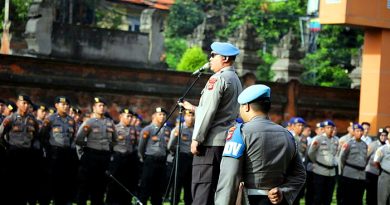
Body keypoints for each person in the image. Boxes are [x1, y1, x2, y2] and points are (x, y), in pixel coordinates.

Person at [214, 84, 306, 205]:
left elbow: (229, 176)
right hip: (278, 200)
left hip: (249, 200)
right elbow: (300, 174)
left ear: (246, 107)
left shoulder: (239, 132)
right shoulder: (288, 135)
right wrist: (283, 191)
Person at [180, 41, 242, 205]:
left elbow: (208, 112)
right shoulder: (235, 79)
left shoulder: (217, 78)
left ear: (226, 58)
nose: (210, 58)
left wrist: (197, 139)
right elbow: (220, 111)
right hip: (225, 142)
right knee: (217, 193)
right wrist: (194, 108)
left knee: (202, 191)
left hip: (209, 143)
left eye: (214, 55)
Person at [75, 97, 117, 205]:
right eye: (99, 105)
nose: (102, 108)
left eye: (103, 105)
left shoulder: (109, 122)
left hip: (104, 157)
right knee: (85, 185)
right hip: (91, 156)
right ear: (94, 108)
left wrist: (109, 150)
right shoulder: (89, 122)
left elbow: (115, 139)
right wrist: (84, 153)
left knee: (100, 186)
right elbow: (79, 139)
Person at [0, 95, 40, 204]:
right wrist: (7, 147)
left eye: (28, 104)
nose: (26, 106)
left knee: (24, 182)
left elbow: (36, 136)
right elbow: (1, 134)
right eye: (24, 103)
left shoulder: (33, 120)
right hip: (13, 153)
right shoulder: (10, 118)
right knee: (12, 182)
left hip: (27, 154)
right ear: (17, 103)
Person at [39, 96, 76, 205]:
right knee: (50, 181)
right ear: (56, 105)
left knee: (64, 181)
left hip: (66, 154)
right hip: (54, 153)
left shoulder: (71, 120)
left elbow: (72, 137)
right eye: (63, 104)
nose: (66, 106)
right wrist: (48, 150)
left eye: (67, 104)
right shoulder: (50, 119)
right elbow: (42, 136)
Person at [138, 107, 171, 205]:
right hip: (150, 161)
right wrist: (144, 157)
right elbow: (141, 147)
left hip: (162, 162)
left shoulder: (167, 130)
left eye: (164, 114)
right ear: (154, 116)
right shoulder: (148, 129)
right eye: (160, 114)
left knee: (158, 189)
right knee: (146, 187)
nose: (162, 116)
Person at [106, 108, 139, 205]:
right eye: (127, 116)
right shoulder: (115, 128)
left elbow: (135, 144)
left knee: (128, 183)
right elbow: (109, 144)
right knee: (115, 183)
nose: (130, 118)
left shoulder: (133, 130)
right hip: (118, 158)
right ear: (120, 116)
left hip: (129, 159)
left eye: (131, 116)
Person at [168, 110, 195, 205]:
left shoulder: (196, 129)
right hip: (181, 158)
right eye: (188, 116)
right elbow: (170, 146)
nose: (191, 118)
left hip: (192, 159)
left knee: (189, 186)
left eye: (192, 116)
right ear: (184, 116)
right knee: (177, 185)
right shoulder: (178, 128)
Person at [308, 120, 338, 205]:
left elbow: (335, 154)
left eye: (332, 128)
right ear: (324, 129)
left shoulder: (336, 140)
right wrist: (316, 162)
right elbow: (311, 153)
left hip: (331, 173)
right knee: (318, 197)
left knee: (328, 197)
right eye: (328, 128)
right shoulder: (318, 139)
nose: (330, 129)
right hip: (319, 171)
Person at [338, 123, 367, 205]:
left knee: (358, 199)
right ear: (353, 132)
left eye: (361, 131)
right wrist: (343, 172)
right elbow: (341, 158)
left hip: (361, 176)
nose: (360, 133)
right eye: (357, 131)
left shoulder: (364, 144)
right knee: (347, 199)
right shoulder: (348, 143)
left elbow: (365, 160)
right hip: (349, 174)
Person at [365, 128, 388, 205]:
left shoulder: (387, 146)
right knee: (370, 194)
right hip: (371, 172)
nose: (383, 137)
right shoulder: (373, 144)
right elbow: (366, 157)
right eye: (381, 135)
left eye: (385, 135)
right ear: (378, 135)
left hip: (380, 174)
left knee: (378, 194)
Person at [374, 131, 390, 205]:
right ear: (388, 138)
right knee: (382, 200)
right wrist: (383, 169)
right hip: (385, 175)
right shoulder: (382, 149)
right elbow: (376, 161)